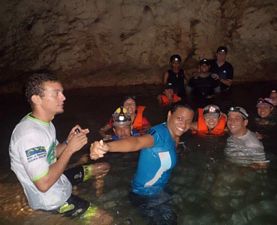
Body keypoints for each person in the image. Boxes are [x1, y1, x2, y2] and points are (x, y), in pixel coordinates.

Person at [9, 73, 111, 223]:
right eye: (56, 93)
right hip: (49, 200)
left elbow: (52, 153)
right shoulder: (28, 135)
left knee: (103, 167)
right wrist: (70, 150)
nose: (63, 97)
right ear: (36, 99)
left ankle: (96, 196)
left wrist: (68, 142)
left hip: (59, 180)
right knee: (106, 219)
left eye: (62, 92)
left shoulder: (44, 122)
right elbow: (43, 184)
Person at [90, 103, 194, 225]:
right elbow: (137, 142)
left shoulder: (173, 135)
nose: (184, 124)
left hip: (159, 190)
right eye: (179, 118)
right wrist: (106, 147)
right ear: (169, 115)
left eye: (188, 121)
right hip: (144, 195)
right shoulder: (159, 135)